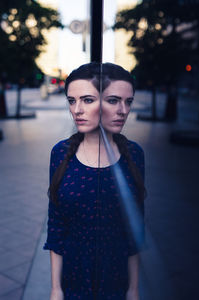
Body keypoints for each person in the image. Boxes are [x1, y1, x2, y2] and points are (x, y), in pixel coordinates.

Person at [43, 62, 146, 300]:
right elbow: (56, 226)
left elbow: (135, 229)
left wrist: (134, 290)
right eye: (72, 101)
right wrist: (55, 289)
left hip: (116, 280)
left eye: (87, 100)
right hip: (74, 278)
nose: (77, 109)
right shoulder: (60, 153)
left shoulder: (135, 155)